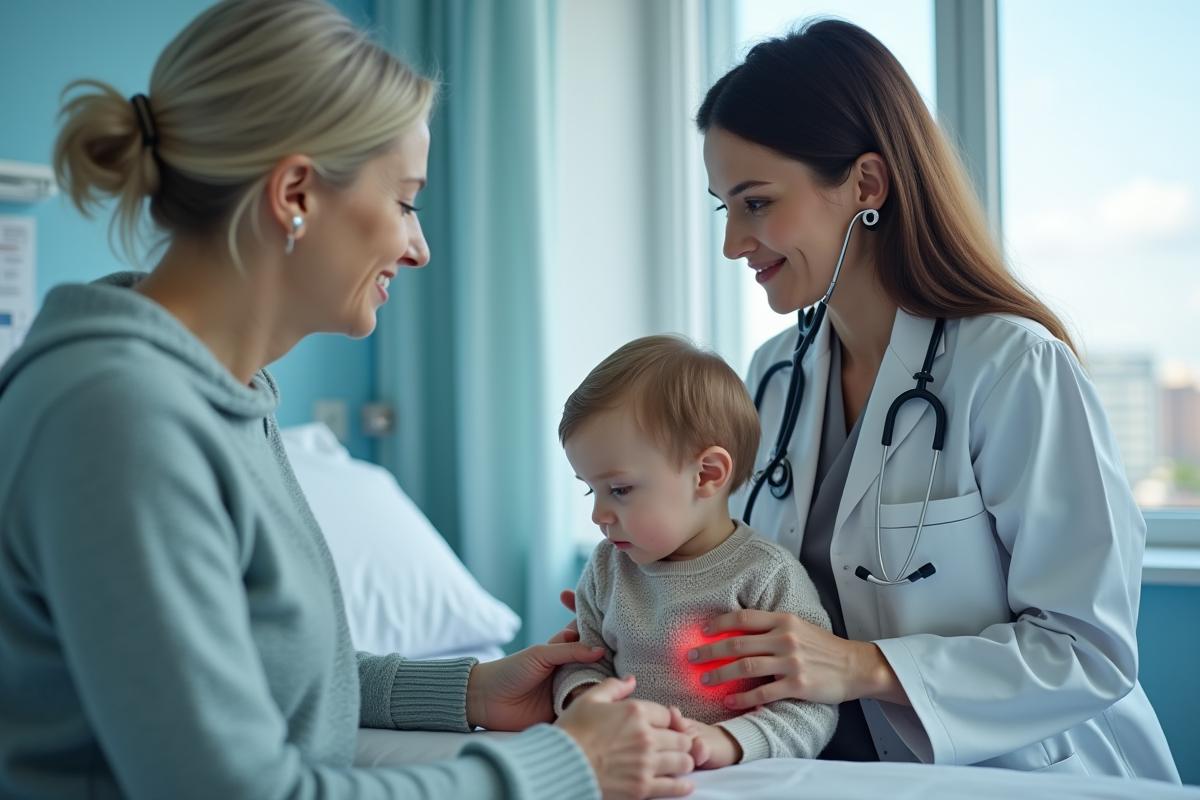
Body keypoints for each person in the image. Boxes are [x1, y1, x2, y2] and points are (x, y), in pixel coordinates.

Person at [0, 1, 696, 799]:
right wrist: (569, 767)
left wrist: (471, 691)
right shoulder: (118, 417)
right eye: (405, 201)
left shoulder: (221, 396)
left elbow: (258, 676)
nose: (420, 248)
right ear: (295, 192)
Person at [555, 20, 1180, 782]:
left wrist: (863, 666)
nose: (733, 244)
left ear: (866, 185)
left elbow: (1090, 651)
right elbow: (740, 570)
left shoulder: (1014, 367)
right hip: (834, 771)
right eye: (725, 209)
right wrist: (643, 600)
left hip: (1025, 774)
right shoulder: (772, 375)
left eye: (757, 203)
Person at [552, 335, 838, 768]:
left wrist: (725, 742)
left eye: (620, 489)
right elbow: (581, 662)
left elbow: (810, 708)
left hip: (738, 781)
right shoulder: (608, 567)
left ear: (707, 474)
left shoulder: (767, 576)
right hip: (630, 770)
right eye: (592, 490)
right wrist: (587, 700)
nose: (598, 515)